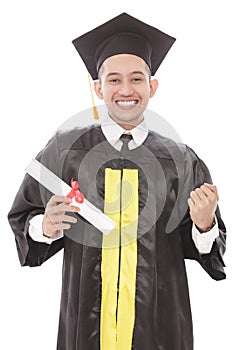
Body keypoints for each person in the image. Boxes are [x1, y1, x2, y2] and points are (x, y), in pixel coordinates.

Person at [8, 12, 226, 350]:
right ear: (98, 88)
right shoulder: (65, 149)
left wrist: (203, 224)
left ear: (152, 87)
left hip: (159, 327)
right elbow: (24, 218)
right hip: (86, 323)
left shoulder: (181, 160)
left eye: (137, 79)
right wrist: (45, 227)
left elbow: (207, 248)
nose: (126, 90)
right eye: (114, 80)